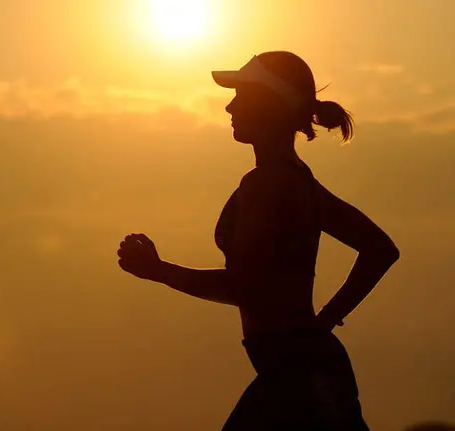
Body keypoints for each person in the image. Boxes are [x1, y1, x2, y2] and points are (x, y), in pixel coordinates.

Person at [116, 51, 400, 430]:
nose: (229, 106)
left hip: (295, 379)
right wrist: (323, 323)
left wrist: (159, 271)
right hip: (305, 371)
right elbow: (380, 249)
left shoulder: (267, 184)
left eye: (241, 95)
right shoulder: (300, 180)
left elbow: (246, 287)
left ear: (270, 105)